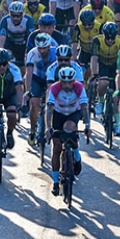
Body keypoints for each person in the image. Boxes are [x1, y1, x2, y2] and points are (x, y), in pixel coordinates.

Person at [46, 65, 89, 196]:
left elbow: (84, 107)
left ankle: (76, 155)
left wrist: (87, 125)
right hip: (58, 114)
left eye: (69, 82)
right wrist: (48, 128)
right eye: (64, 82)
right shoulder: (54, 88)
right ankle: (55, 181)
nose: (67, 85)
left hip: (73, 113)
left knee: (70, 130)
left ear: (74, 81)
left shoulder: (79, 88)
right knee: (57, 147)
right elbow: (49, 110)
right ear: (60, 81)